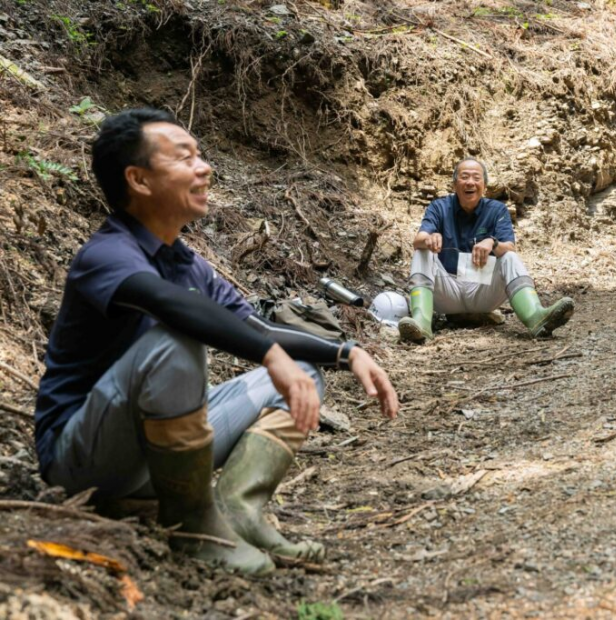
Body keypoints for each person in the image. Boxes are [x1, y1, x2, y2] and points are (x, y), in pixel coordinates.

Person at [34, 108, 399, 575]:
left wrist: (346, 352)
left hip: (156, 460)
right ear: (138, 179)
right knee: (175, 340)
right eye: (184, 158)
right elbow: (167, 304)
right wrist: (270, 356)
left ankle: (237, 509)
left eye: (200, 155)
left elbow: (258, 329)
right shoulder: (106, 253)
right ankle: (193, 524)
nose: (204, 168)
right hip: (81, 457)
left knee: (303, 372)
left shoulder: (187, 264)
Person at [398, 158, 574, 343]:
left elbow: (509, 247)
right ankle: (422, 324)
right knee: (422, 251)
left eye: (476, 178)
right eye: (464, 177)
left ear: (484, 185)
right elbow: (418, 240)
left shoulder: (497, 210)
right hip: (447, 290)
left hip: (482, 290)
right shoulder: (439, 207)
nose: (470, 182)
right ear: (454, 184)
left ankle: (536, 317)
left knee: (509, 257)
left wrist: (492, 243)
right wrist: (429, 239)